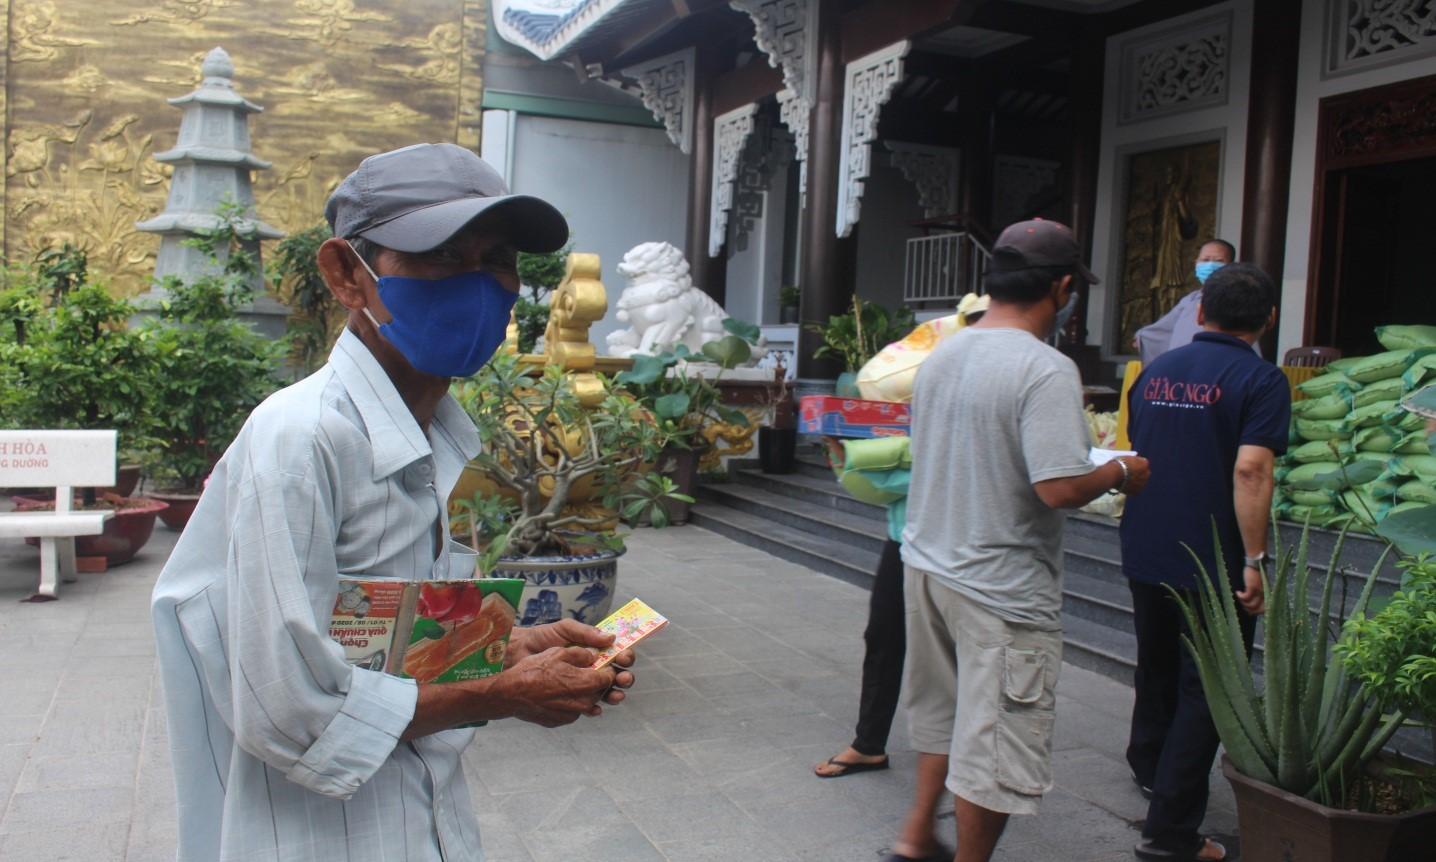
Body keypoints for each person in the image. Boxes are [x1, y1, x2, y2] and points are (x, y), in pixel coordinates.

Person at [151, 143, 636, 862]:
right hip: (318, 838)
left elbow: (377, 636)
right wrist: (498, 693)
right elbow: (287, 708)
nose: (478, 285)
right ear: (348, 274)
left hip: (427, 822)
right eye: (441, 255)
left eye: (496, 257)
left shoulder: (435, 433)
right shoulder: (301, 442)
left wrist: (500, 650)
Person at [889, 219, 1151, 862]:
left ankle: (917, 833)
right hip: (999, 584)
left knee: (943, 712)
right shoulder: (1044, 368)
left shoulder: (945, 352)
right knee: (997, 740)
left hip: (928, 563)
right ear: (1062, 287)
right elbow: (1058, 488)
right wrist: (1122, 469)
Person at [1119, 262, 1290, 862]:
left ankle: (1151, 774)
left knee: (1157, 668)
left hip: (1146, 544)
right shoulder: (1262, 380)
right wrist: (1254, 559)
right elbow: (1252, 469)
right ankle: (1170, 835)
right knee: (1208, 690)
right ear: (1268, 319)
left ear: (1199, 310)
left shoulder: (1155, 373)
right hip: (1213, 558)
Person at [814, 296, 990, 780]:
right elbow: (900, 481)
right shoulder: (927, 388)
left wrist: (856, 459)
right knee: (885, 637)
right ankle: (869, 743)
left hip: (962, 544)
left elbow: (937, 475)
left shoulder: (985, 396)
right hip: (906, 537)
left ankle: (969, 756)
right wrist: (848, 455)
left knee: (963, 651)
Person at [1135, 239, 1245, 364]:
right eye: (1205, 260)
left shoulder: (1236, 300)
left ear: (1232, 266)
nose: (1210, 265)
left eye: (1219, 261)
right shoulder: (1190, 300)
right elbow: (1163, 330)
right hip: (1182, 368)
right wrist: (1142, 337)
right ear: (1196, 263)